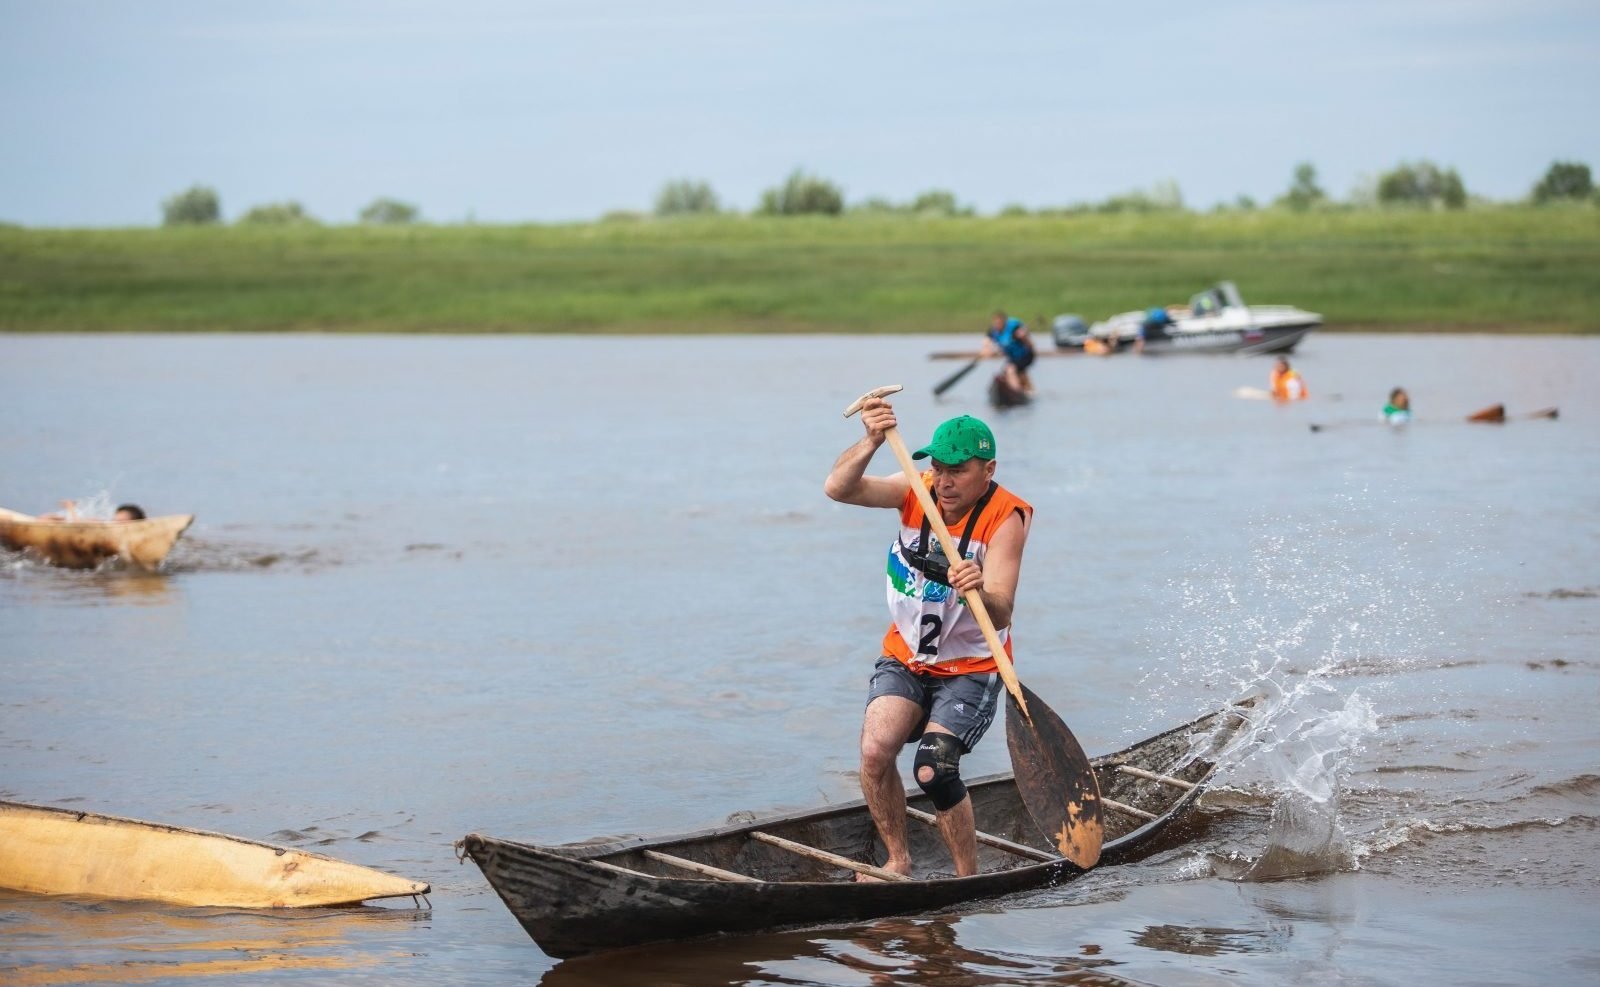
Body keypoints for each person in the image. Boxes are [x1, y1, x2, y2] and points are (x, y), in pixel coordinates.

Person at [824, 401, 1031, 879]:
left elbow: (1002, 608)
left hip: (971, 667)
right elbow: (838, 488)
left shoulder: (1005, 518)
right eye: (938, 467)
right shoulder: (915, 489)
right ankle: (898, 860)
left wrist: (978, 585)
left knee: (933, 770)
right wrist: (872, 441)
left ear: (988, 469)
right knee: (876, 753)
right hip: (906, 655)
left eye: (957, 470)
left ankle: (966, 878)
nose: (944, 480)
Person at [980, 311, 1035, 395]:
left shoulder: (1014, 327)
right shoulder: (994, 331)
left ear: (1004, 322)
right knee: (1016, 372)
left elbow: (1030, 345)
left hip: (1026, 355)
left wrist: (1024, 338)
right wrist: (986, 349)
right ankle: (1029, 389)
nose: (997, 326)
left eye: (999, 323)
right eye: (995, 323)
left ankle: (1016, 393)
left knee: (1010, 370)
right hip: (1013, 358)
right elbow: (986, 340)